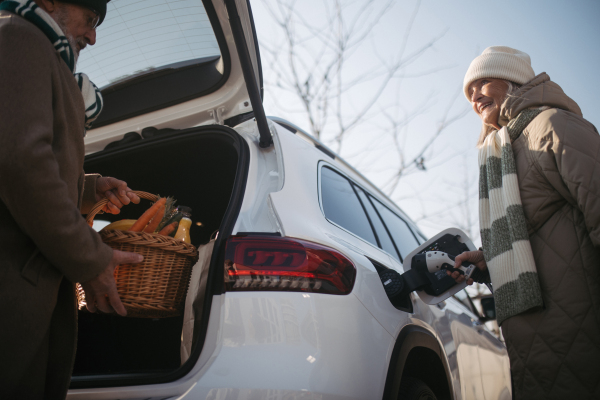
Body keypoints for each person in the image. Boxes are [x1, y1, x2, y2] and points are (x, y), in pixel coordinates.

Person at [0, 0, 143, 398]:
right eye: (91, 19)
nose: (94, 37)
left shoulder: (35, 47)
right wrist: (90, 258)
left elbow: (26, 159)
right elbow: (18, 161)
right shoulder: (17, 35)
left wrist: (87, 187)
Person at [451, 46, 600, 399]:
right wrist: (489, 260)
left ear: (513, 80)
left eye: (483, 82)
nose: (474, 96)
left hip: (579, 322)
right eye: (469, 93)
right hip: (531, 336)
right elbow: (532, 234)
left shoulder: (553, 125)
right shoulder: (500, 153)